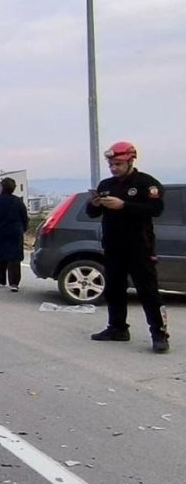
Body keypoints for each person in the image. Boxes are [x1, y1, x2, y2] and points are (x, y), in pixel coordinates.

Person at [85, 141, 170, 353]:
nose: (114, 168)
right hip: (113, 246)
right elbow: (92, 213)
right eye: (111, 164)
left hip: (140, 246)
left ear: (130, 161)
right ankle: (117, 328)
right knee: (114, 289)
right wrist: (95, 204)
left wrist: (124, 205)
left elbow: (155, 209)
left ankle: (159, 334)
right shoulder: (106, 185)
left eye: (118, 164)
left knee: (148, 291)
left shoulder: (146, 183)